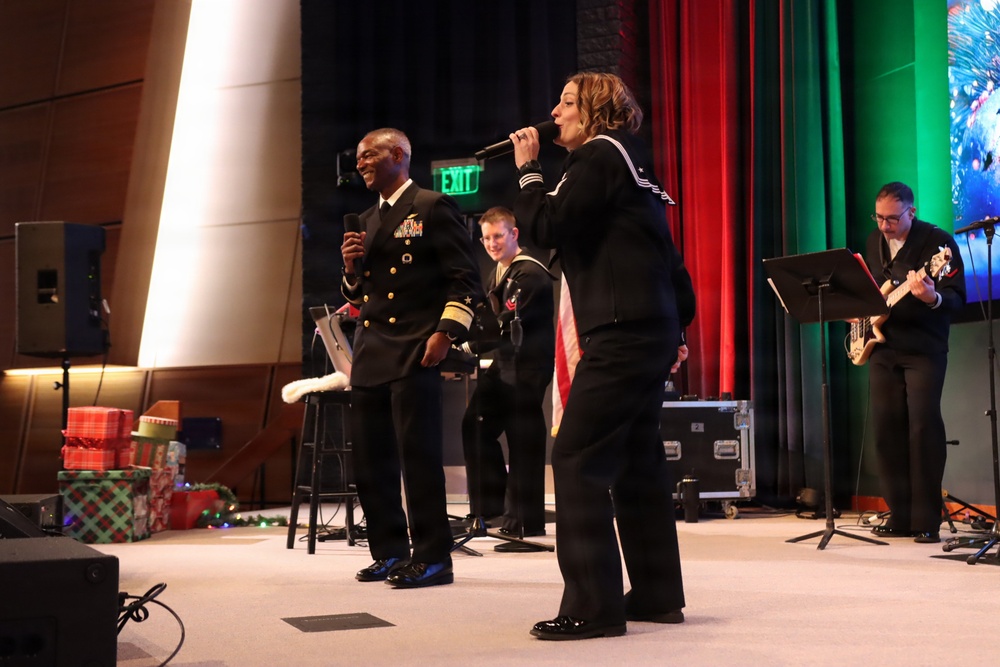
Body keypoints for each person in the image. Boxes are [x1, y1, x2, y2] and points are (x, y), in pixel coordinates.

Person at [509, 72, 696, 640]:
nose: (554, 111)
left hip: (621, 334)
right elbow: (672, 264)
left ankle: (593, 607)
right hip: (646, 328)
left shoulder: (595, 157)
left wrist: (529, 171)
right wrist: (674, 326)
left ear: (592, 111)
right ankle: (658, 595)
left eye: (566, 102)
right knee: (637, 461)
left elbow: (545, 226)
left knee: (576, 458)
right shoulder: (632, 161)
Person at [341, 128, 483, 588]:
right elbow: (364, 294)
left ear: (398, 155)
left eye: (369, 155)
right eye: (359, 157)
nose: (361, 162)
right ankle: (388, 551)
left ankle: (433, 557)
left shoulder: (431, 206)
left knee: (418, 459)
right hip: (371, 351)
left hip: (414, 348)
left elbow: (466, 280)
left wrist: (445, 333)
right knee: (371, 460)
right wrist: (349, 271)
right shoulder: (365, 218)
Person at [862, 181, 965, 544]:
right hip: (883, 349)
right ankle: (900, 514)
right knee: (886, 431)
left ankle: (926, 519)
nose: (884, 226)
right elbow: (870, 291)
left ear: (912, 212)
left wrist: (932, 297)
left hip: (923, 350)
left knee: (923, 428)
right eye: (879, 218)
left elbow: (957, 300)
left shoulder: (939, 245)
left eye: (892, 218)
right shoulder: (873, 243)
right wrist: (857, 314)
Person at [460, 206, 555, 549]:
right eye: (486, 237)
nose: (491, 243)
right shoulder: (499, 273)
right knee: (475, 425)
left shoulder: (529, 275)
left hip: (527, 369)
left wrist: (469, 345)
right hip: (504, 366)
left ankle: (524, 524)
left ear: (515, 234)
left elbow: (507, 326)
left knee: (523, 442)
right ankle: (494, 510)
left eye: (498, 235)